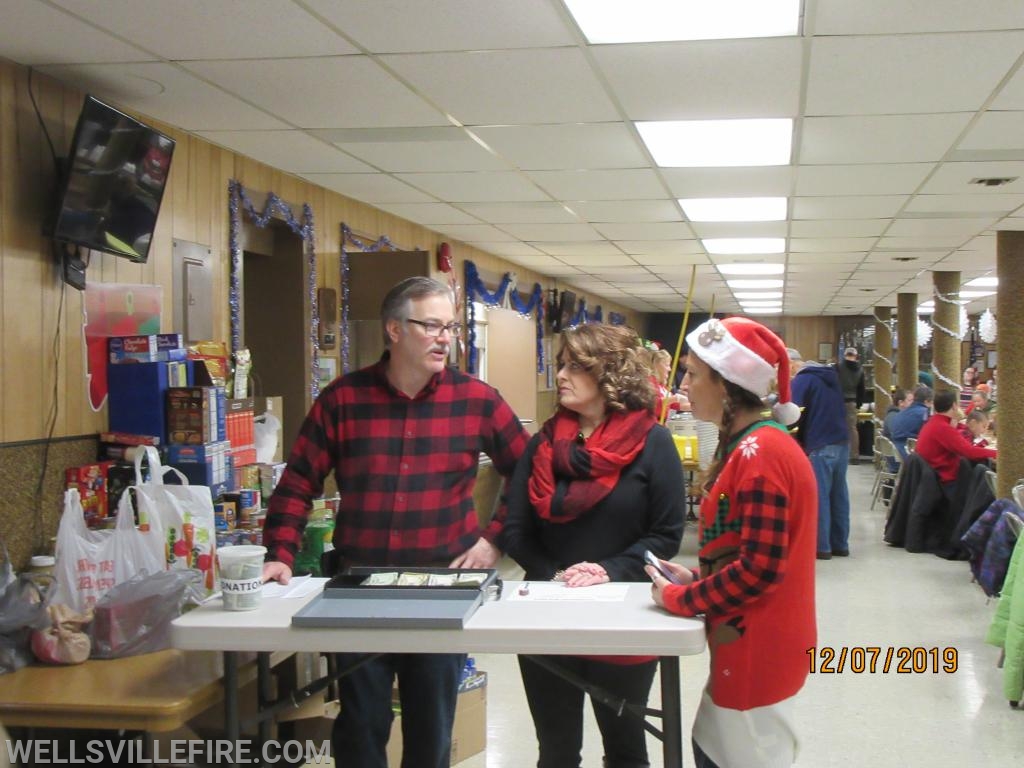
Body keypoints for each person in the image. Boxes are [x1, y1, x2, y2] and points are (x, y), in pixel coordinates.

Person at [262, 276, 530, 768]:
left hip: (443, 583)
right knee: (361, 725)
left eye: (449, 326)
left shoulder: (477, 400)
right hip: (358, 585)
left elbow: (529, 474)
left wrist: (493, 542)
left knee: (431, 726)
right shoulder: (343, 400)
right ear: (393, 329)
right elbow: (298, 481)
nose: (444, 337)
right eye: (431, 324)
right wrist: (279, 555)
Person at [502, 324, 684, 768]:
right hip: (547, 613)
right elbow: (515, 530)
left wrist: (606, 570)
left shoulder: (652, 443)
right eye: (561, 364)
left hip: (625, 617)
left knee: (626, 751)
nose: (560, 375)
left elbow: (666, 536)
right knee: (557, 751)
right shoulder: (543, 444)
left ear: (610, 374)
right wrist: (557, 578)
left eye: (574, 366)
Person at [645, 317, 817, 768]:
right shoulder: (751, 447)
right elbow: (745, 550)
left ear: (727, 385)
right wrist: (701, 577)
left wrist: (684, 598)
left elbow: (759, 570)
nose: (684, 385)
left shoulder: (761, 456)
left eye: (692, 374)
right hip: (747, 646)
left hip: (757, 654)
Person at [789, 349, 851, 560]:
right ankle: (840, 544)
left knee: (820, 496)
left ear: (791, 364)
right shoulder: (830, 376)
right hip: (842, 441)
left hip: (820, 443)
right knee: (839, 495)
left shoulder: (803, 379)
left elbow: (792, 412)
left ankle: (821, 547)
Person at [916, 390, 997, 492]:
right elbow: (970, 452)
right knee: (982, 471)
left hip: (931, 475)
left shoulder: (933, 422)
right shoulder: (943, 428)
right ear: (954, 406)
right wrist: (996, 453)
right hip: (944, 480)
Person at [834, 347, 866, 463]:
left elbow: (833, 383)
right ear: (856, 356)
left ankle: (836, 454)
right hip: (851, 401)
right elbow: (861, 389)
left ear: (845, 355)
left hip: (837, 401)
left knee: (835, 426)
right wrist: (859, 404)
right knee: (852, 429)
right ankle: (854, 456)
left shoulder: (837, 367)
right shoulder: (860, 369)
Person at [888, 384, 933, 458]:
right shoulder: (925, 413)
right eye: (932, 403)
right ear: (927, 401)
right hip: (914, 459)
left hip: (897, 457)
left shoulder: (898, 414)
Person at [645, 347, 689, 419]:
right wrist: (676, 398)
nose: (669, 369)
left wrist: (695, 406)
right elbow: (654, 406)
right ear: (658, 365)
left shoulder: (662, 386)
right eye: (667, 365)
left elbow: (675, 406)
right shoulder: (650, 382)